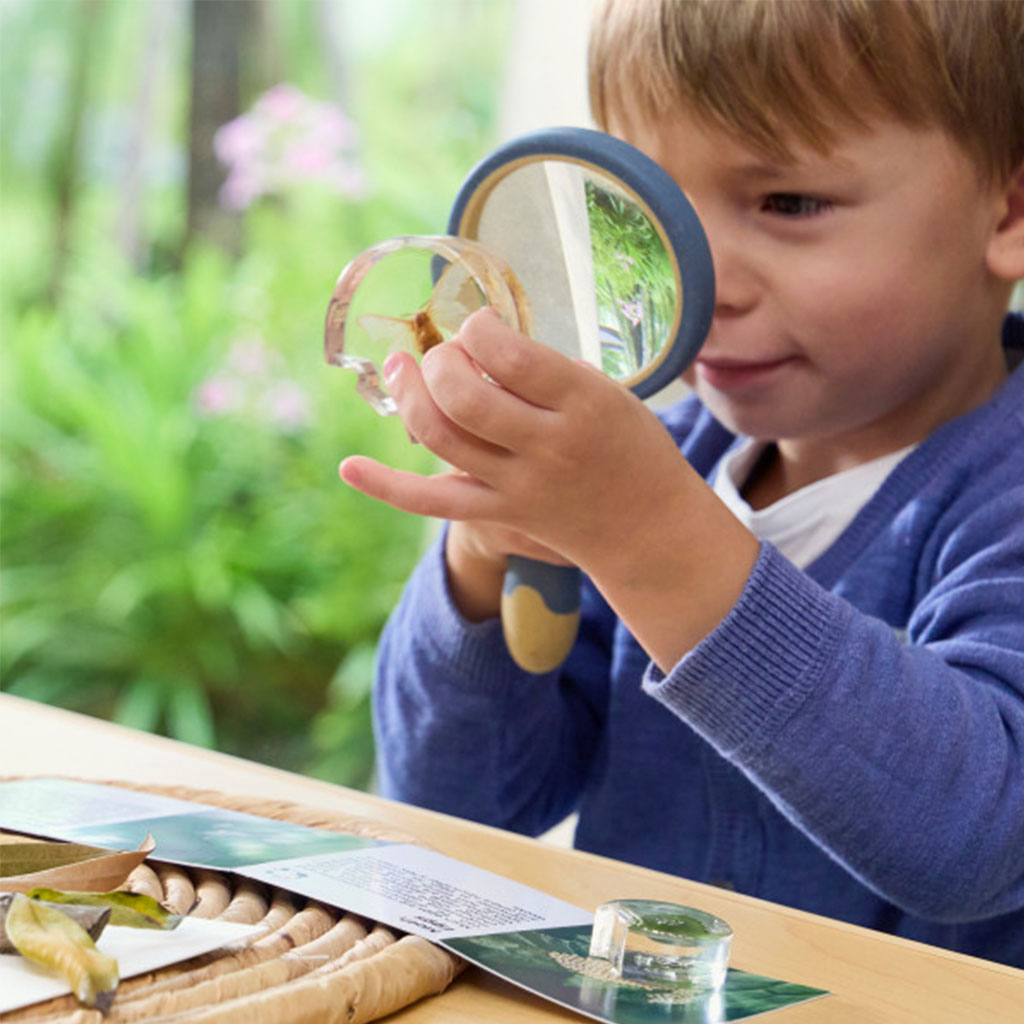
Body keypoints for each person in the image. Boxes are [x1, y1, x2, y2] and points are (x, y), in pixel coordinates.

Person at [338, 0, 1024, 967]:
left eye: (787, 204)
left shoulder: (1001, 490)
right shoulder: (663, 461)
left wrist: (651, 536)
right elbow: (459, 804)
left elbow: (981, 840)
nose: (704, 285)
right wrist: (486, 558)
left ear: (1008, 212)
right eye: (646, 217)